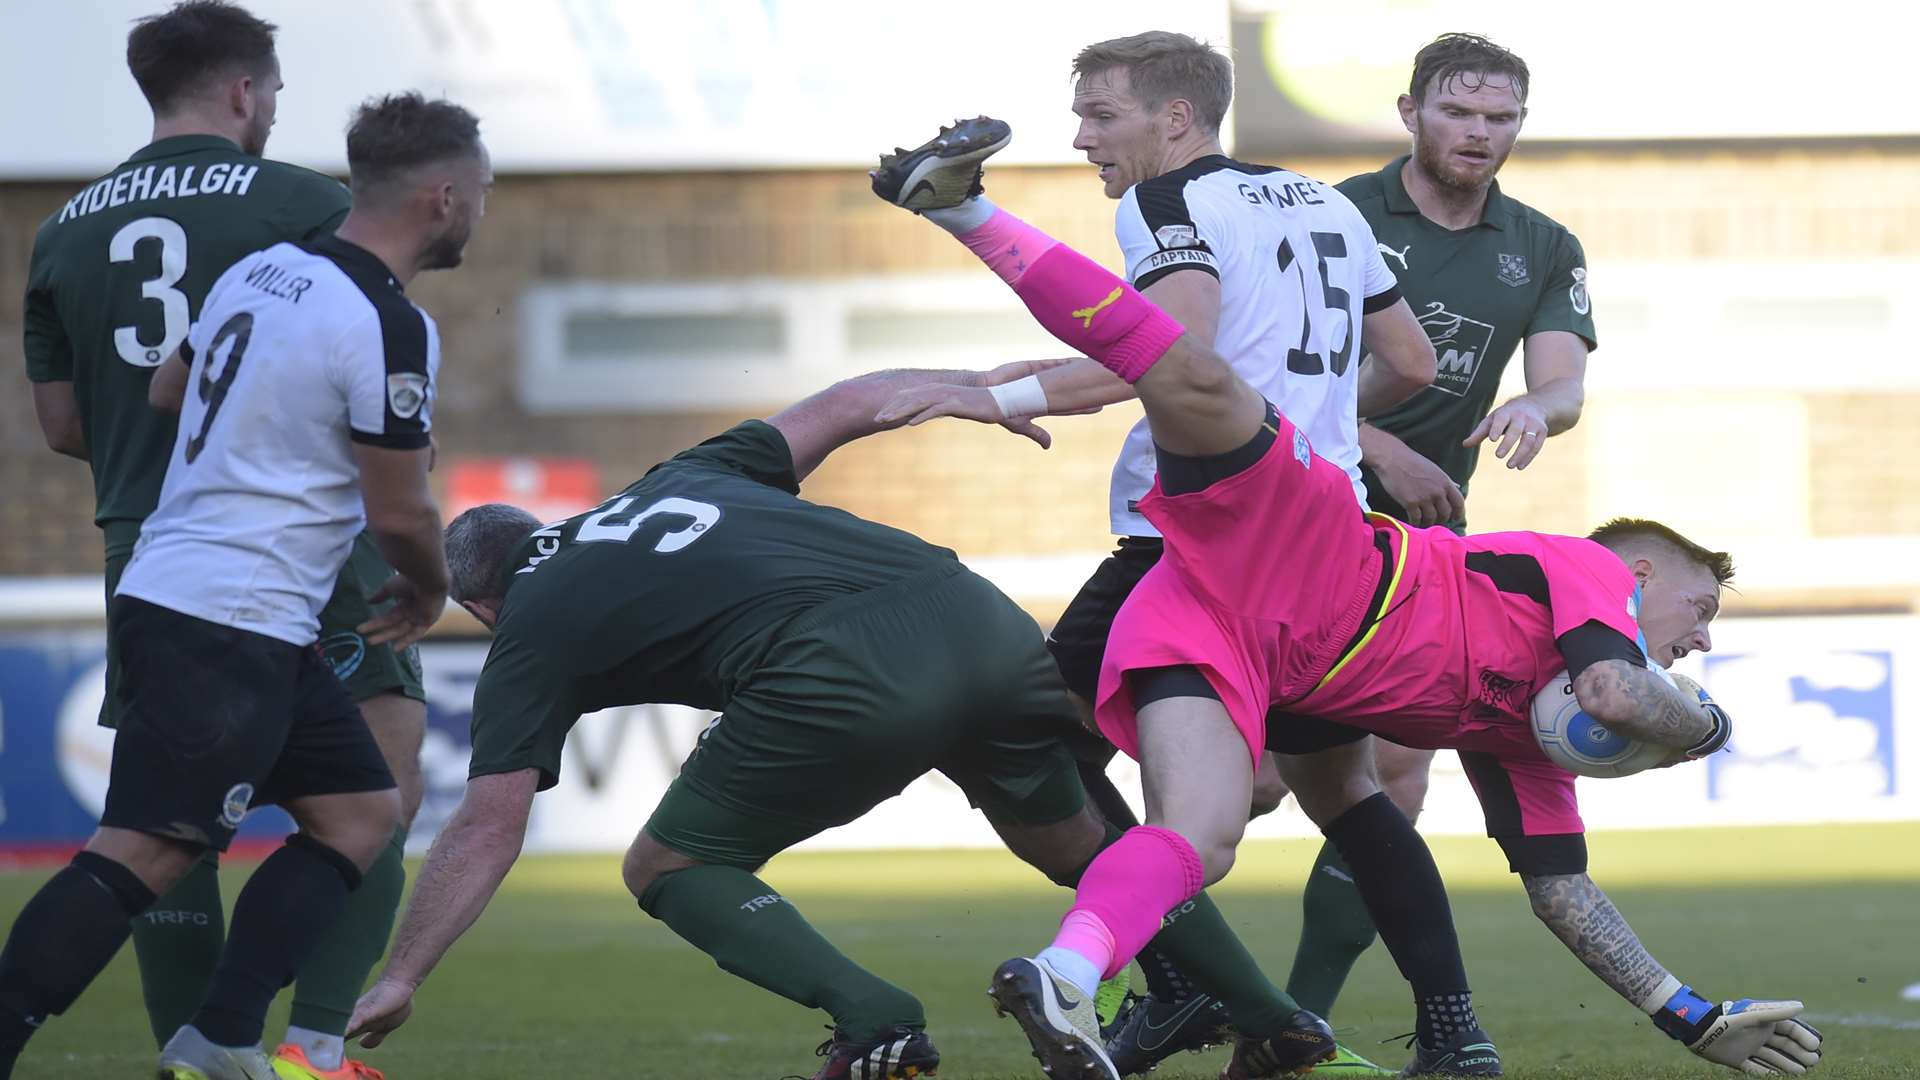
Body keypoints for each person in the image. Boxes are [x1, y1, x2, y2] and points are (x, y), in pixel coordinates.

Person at [870, 116, 1825, 1080]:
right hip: (1311, 552)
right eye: (1701, 609)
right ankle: (967, 212)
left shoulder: (1529, 733)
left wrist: (1691, 1018)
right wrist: (1704, 730)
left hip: (1221, 632)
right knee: (1192, 375)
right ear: (1644, 575)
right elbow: (1622, 696)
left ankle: (1068, 970)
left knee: (1201, 839)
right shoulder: (1586, 574)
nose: (1698, 640)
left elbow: (1564, 893)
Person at [341, 367, 1337, 1080]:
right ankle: (1274, 1023)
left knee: (666, 868)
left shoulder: (527, 626)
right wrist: (978, 390)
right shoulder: (673, 481)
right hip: (975, 618)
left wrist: (402, 974)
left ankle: (876, 1019)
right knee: (1081, 847)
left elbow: (487, 824)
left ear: (481, 606)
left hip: (841, 673)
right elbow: (850, 402)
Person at [871, 35, 1479, 1076]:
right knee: (1347, 794)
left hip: (1196, 543)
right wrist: (1312, 414)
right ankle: (1456, 1035)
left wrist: (1000, 393)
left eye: (1102, 115)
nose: (1082, 137)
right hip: (1333, 548)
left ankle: (1179, 983)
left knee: (1030, 750)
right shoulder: (1326, 202)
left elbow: (1168, 350)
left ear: (1176, 120)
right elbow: (1414, 362)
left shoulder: (1165, 204)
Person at [0, 91, 489, 1080]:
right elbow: (399, 512)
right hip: (227, 611)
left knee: (360, 818)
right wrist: (428, 588)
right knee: (145, 851)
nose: (480, 211)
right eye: (480, 194)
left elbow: (167, 391)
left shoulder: (259, 274)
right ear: (443, 196)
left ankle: (219, 1039)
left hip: (212, 597)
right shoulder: (392, 328)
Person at [1251, 33, 1598, 1058]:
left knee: (1399, 773)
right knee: (1252, 787)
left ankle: (1294, 1020)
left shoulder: (1541, 244)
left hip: (1417, 541)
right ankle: (1134, 973)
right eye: (1460, 113)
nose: (1480, 134)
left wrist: (1540, 406)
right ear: (1411, 112)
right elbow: (1260, 369)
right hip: (1285, 515)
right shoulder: (1335, 214)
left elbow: (1566, 381)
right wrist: (1375, 445)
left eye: (1501, 119)